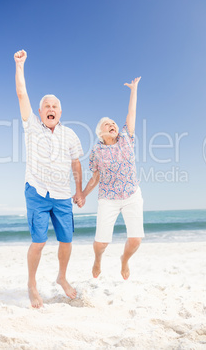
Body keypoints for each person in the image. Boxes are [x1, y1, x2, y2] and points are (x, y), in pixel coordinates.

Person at [14, 49, 85, 308]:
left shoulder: (70, 135)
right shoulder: (31, 126)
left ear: (60, 112)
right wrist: (20, 66)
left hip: (62, 194)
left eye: (55, 106)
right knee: (39, 241)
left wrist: (79, 191)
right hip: (37, 191)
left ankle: (61, 277)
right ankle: (32, 284)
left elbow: (76, 163)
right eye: (47, 106)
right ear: (40, 111)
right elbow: (22, 93)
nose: (51, 109)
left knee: (67, 240)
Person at [79, 77, 144, 280]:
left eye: (113, 123)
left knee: (135, 240)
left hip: (132, 194)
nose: (112, 125)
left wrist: (133, 90)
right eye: (107, 125)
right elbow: (95, 177)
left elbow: (131, 114)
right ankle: (98, 260)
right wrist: (82, 194)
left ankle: (124, 260)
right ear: (101, 132)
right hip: (108, 198)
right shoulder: (96, 151)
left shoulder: (126, 137)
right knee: (101, 243)